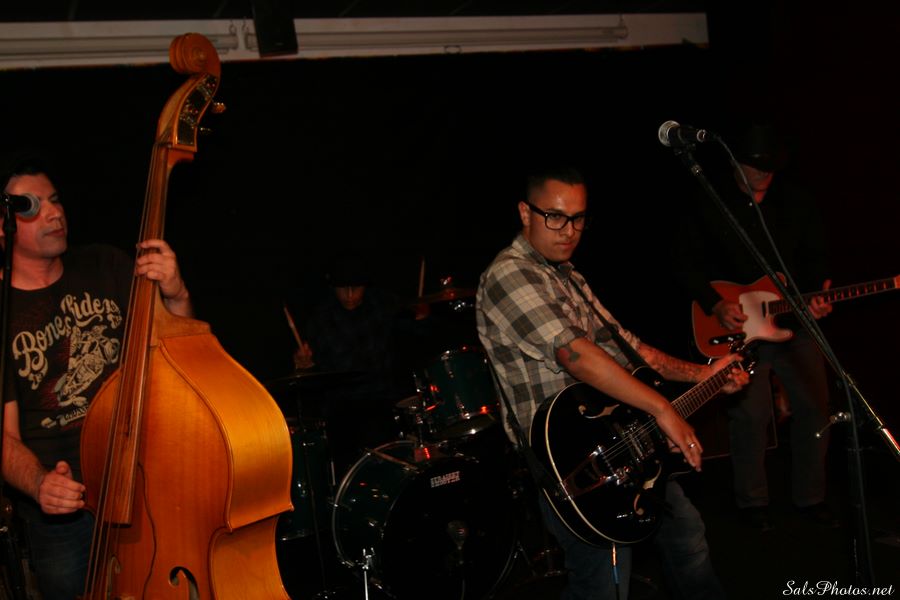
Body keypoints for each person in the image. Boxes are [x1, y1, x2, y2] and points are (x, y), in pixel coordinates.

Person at [476, 166, 748, 600]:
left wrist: (705, 374)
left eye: (578, 218)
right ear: (525, 213)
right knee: (602, 585)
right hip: (571, 463)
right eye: (555, 217)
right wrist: (662, 409)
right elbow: (575, 355)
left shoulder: (569, 277)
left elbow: (631, 350)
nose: (569, 231)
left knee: (687, 539)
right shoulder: (510, 274)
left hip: (620, 440)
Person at [0, 156, 194, 599]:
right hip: (64, 507)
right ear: (3, 227)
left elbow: (180, 352)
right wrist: (40, 483)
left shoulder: (106, 265)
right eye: (32, 206)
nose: (54, 212)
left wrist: (177, 292)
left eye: (55, 200)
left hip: (144, 477)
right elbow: (5, 437)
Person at [672, 119, 836, 532]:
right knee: (752, 415)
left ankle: (812, 498)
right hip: (739, 330)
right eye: (754, 165)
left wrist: (818, 293)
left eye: (769, 167)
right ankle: (753, 503)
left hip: (792, 323)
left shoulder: (795, 201)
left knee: (815, 407)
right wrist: (715, 303)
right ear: (734, 163)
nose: (763, 173)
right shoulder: (710, 202)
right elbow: (684, 262)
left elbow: (815, 255)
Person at [288, 256, 411, 474]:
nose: (350, 295)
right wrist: (303, 364)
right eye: (343, 289)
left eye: (356, 288)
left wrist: (422, 317)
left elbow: (414, 338)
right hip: (341, 409)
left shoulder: (383, 305)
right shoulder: (320, 319)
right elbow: (312, 377)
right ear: (333, 288)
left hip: (382, 401)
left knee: (386, 448)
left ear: (365, 286)